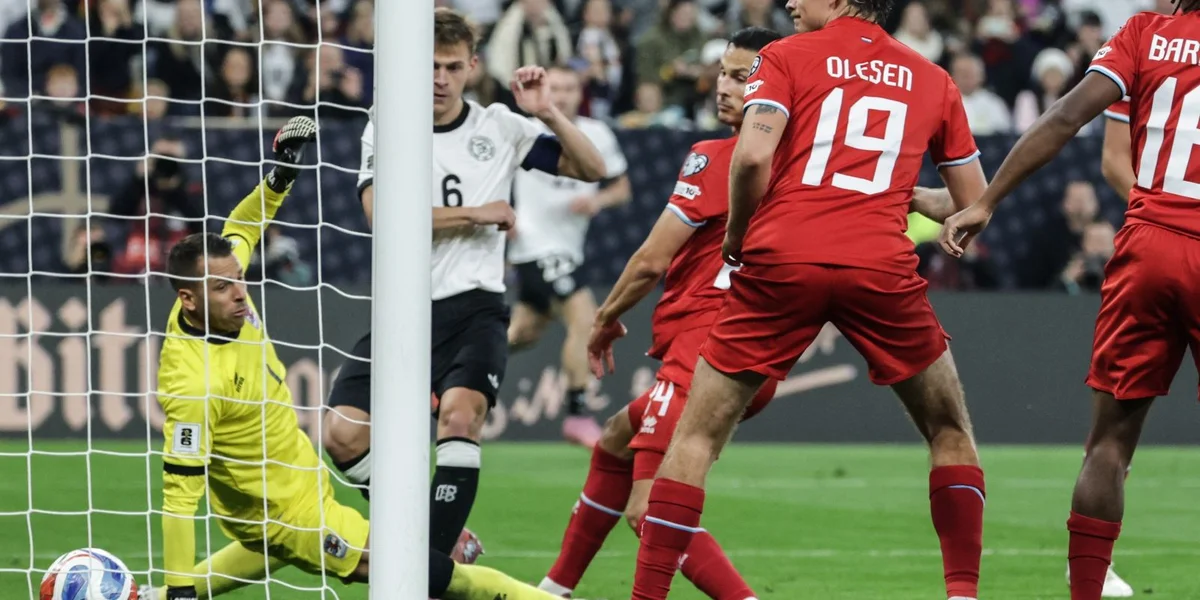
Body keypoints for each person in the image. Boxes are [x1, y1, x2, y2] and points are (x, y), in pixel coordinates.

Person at [627, 0, 991, 598]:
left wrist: (738, 236)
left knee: (694, 439)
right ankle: (962, 593)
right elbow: (973, 201)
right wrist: (915, 198)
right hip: (879, 265)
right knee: (950, 430)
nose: (791, 2)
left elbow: (750, 155)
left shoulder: (783, 56)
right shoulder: (934, 78)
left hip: (781, 260)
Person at [146, 116, 587, 600]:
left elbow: (243, 227)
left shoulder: (214, 296)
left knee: (268, 543)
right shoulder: (194, 384)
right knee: (424, 572)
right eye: (223, 287)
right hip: (293, 516)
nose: (239, 293)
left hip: (294, 487)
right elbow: (178, 497)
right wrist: (180, 588)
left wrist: (280, 176)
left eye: (238, 278)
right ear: (188, 299)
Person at [321, 6, 607, 560]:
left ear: (473, 67)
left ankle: (429, 563)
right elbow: (385, 217)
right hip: (405, 306)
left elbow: (592, 169)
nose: (439, 78)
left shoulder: (499, 126)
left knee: (460, 416)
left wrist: (548, 111)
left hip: (475, 306)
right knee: (342, 434)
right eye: (429, 66)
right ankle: (434, 528)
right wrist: (477, 214)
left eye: (452, 67)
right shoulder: (388, 122)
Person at [939, 5, 1200, 600]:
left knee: (1109, 440)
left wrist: (987, 201)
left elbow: (1063, 117)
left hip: (1149, 244)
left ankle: (1085, 587)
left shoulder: (1144, 35)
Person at [507, 64, 632, 449]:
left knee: (521, 334)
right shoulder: (524, 129)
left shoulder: (595, 134)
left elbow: (622, 187)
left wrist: (597, 199)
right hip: (533, 245)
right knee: (586, 318)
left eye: (568, 88)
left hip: (567, 250)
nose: (560, 95)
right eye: (554, 87)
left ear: (580, 93)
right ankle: (578, 414)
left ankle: (444, 371)